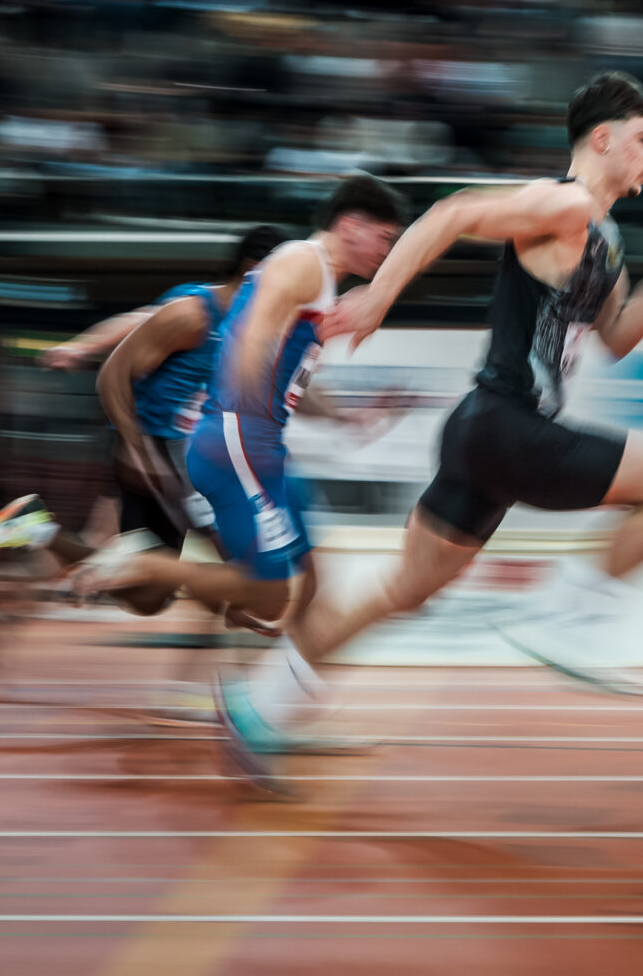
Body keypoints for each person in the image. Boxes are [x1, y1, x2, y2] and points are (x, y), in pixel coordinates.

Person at [219, 74, 643, 769]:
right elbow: (451, 214)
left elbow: (619, 336)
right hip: (507, 425)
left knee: (403, 590)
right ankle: (567, 616)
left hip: (485, 435)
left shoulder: (603, 239)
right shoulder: (564, 203)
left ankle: (259, 703)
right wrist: (378, 297)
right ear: (603, 139)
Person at [61, 179, 408, 753]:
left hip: (258, 443)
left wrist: (349, 416)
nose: (386, 253)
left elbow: (285, 366)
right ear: (351, 225)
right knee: (268, 597)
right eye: (385, 238)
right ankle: (144, 568)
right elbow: (249, 337)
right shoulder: (302, 261)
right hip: (242, 442)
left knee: (318, 584)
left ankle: (281, 711)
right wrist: (246, 416)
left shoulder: (317, 278)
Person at [0, 225, 290, 599]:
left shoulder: (256, 325)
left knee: (147, 597)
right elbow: (131, 325)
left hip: (187, 453)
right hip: (153, 445)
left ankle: (35, 528)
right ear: (251, 269)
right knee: (225, 554)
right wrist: (83, 348)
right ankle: (240, 599)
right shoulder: (195, 314)